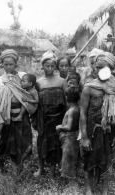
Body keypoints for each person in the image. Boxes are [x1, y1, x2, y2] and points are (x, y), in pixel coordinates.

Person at [80, 52, 115, 195]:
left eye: (103, 68)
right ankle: (89, 190)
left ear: (111, 69)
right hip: (92, 130)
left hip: (109, 131)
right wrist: (84, 137)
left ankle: (104, 190)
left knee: (107, 161)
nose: (98, 70)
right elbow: (83, 113)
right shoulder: (89, 87)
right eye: (96, 67)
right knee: (89, 159)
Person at [0, 49, 36, 174]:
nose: (8, 67)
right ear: (2, 64)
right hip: (6, 115)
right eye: (5, 64)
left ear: (16, 64)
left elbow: (28, 94)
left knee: (21, 140)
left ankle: (20, 167)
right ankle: (4, 167)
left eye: (11, 64)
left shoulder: (23, 76)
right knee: (5, 141)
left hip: (21, 115)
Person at [34, 50, 67, 178]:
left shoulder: (61, 81)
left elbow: (67, 100)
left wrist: (67, 119)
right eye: (47, 66)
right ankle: (41, 168)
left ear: (56, 66)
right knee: (41, 142)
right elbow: (35, 101)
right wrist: (36, 120)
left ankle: (53, 172)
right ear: (42, 66)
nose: (50, 68)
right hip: (43, 118)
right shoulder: (38, 82)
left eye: (52, 66)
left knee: (55, 144)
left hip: (58, 117)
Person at [56, 86, 80, 180]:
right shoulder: (78, 108)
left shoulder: (71, 111)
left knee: (67, 157)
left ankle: (67, 178)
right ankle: (69, 175)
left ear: (67, 97)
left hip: (69, 137)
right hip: (74, 136)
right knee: (72, 156)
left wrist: (59, 127)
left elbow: (69, 127)